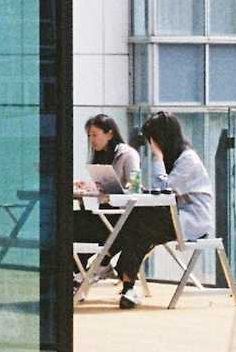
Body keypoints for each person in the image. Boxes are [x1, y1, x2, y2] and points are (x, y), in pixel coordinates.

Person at [104, 111, 215, 309]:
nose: (150, 144)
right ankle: (126, 284)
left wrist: (157, 158)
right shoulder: (176, 157)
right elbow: (161, 190)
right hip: (175, 214)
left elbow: (165, 188)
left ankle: (110, 262)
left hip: (192, 220)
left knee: (135, 222)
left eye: (152, 140)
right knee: (135, 226)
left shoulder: (188, 159)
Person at [72, 114, 142, 291]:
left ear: (109, 134)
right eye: (89, 136)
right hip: (106, 212)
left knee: (79, 225)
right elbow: (103, 187)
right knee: (72, 221)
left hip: (123, 216)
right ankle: (76, 272)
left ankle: (79, 274)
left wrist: (109, 191)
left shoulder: (128, 155)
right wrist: (88, 187)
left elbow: (134, 187)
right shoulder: (101, 156)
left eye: (95, 135)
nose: (91, 140)